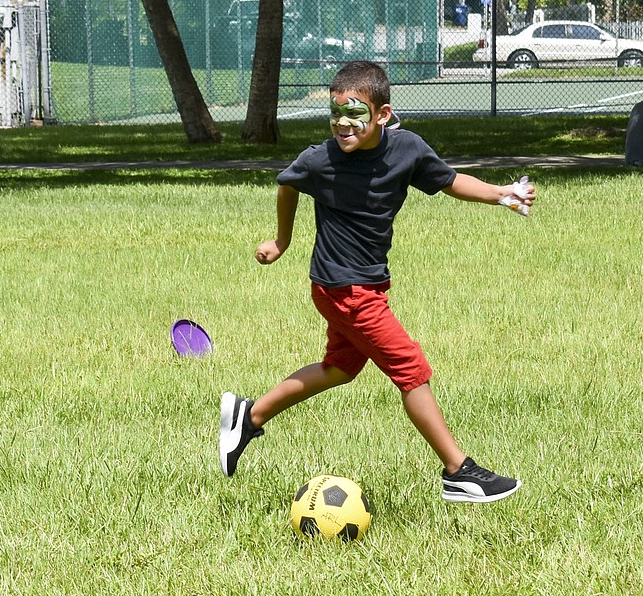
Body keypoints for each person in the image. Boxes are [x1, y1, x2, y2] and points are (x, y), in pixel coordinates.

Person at [219, 61, 534, 503]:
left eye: (355, 114)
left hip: (367, 284)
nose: (343, 124)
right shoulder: (319, 159)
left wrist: (501, 193)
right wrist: (281, 240)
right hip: (344, 289)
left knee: (339, 368)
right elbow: (287, 184)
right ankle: (459, 472)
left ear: (383, 114)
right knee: (411, 369)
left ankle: (249, 416)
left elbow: (450, 181)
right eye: (336, 114)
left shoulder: (407, 150)